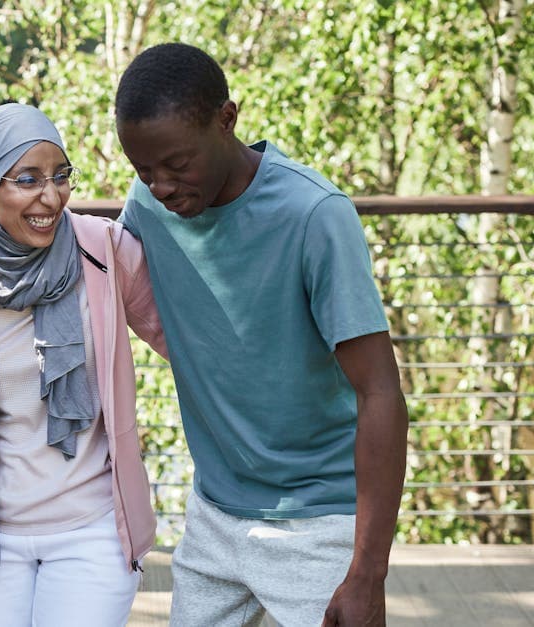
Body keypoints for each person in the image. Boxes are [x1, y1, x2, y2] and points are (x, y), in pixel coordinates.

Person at [114, 43, 409, 626]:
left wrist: (367, 572)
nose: (162, 186)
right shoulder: (146, 208)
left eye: (176, 165)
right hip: (213, 515)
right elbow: (95, 282)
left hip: (319, 521)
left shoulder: (314, 214)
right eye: (144, 170)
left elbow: (381, 394)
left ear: (227, 119)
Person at [0, 103, 168, 626]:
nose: (51, 196)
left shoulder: (104, 250)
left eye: (61, 176)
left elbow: (186, 341)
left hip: (94, 530)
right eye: (28, 179)